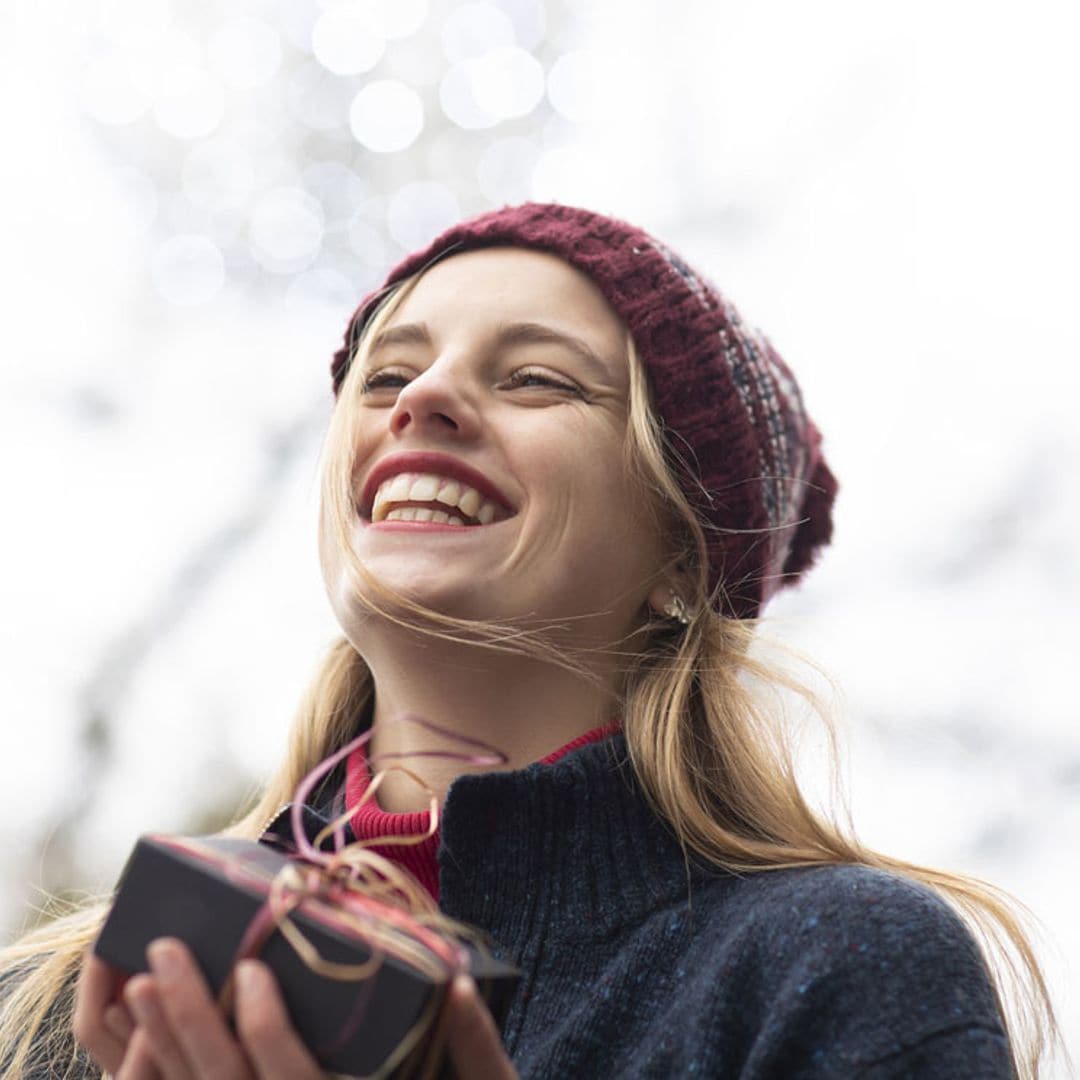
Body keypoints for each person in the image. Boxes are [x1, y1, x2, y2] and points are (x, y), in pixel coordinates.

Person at [0, 203, 1056, 1078]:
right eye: (385, 376)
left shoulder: (832, 970)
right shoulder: (80, 1002)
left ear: (685, 557)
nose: (423, 399)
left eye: (536, 379)